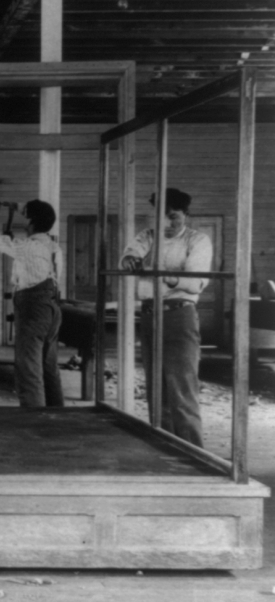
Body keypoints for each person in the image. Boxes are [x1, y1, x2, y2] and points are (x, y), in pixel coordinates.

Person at [120, 188, 212, 447]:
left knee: (182, 389)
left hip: (179, 315)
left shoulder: (197, 240)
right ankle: (165, 449)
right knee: (156, 390)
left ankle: (194, 452)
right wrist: (129, 260)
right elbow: (130, 254)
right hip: (150, 316)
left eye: (175, 217)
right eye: (163, 218)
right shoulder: (147, 236)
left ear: (186, 215)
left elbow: (195, 283)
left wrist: (163, 274)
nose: (169, 224)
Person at [0, 198, 65, 408]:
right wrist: (17, 208)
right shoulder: (54, 246)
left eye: (27, 218)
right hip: (52, 308)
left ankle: (35, 422)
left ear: (31, 223)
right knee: (49, 367)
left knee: (29, 368)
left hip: (33, 308)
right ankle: (58, 416)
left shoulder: (28, 246)